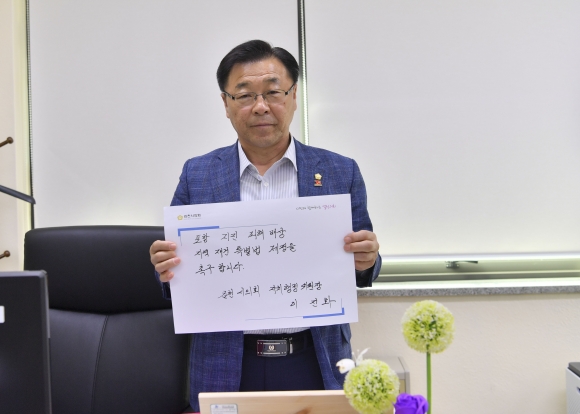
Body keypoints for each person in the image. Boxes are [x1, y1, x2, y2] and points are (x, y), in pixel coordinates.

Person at [149, 39, 381, 412]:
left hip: (313, 360)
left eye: (273, 92)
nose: (260, 106)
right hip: (228, 363)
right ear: (226, 104)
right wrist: (164, 267)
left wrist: (367, 259)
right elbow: (175, 278)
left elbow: (365, 265)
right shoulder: (198, 174)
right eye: (244, 95)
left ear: (293, 96)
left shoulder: (340, 171)